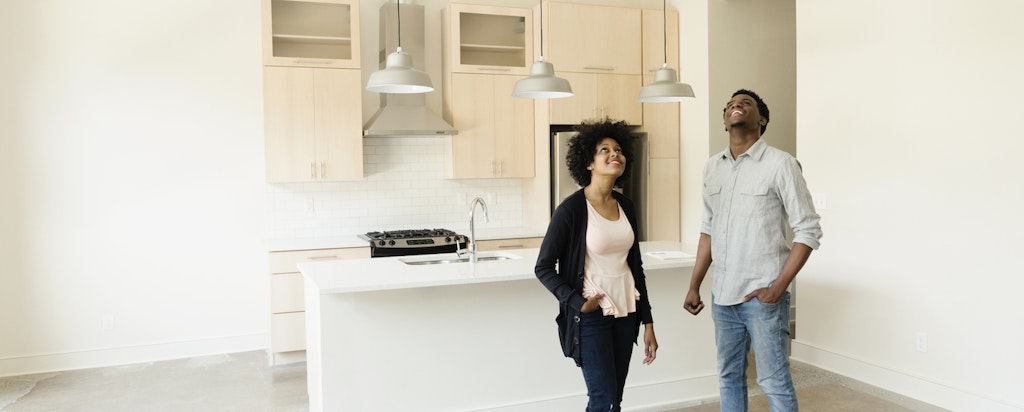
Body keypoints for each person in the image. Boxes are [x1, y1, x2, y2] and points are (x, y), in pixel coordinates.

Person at [684, 89, 822, 412]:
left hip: (763, 298)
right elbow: (708, 230)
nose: (736, 106)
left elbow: (808, 230)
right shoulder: (711, 168)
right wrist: (695, 284)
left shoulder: (781, 164)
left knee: (773, 381)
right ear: (724, 121)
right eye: (731, 104)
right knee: (729, 377)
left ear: (761, 119)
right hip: (723, 296)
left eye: (746, 103)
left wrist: (778, 287)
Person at [535, 119, 658, 412]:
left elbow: (635, 267)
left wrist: (648, 321)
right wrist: (577, 302)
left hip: (626, 312)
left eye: (618, 149)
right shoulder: (571, 209)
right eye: (604, 149)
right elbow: (543, 267)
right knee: (602, 400)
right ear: (589, 162)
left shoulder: (626, 205)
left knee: (614, 397)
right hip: (591, 317)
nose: (614, 154)